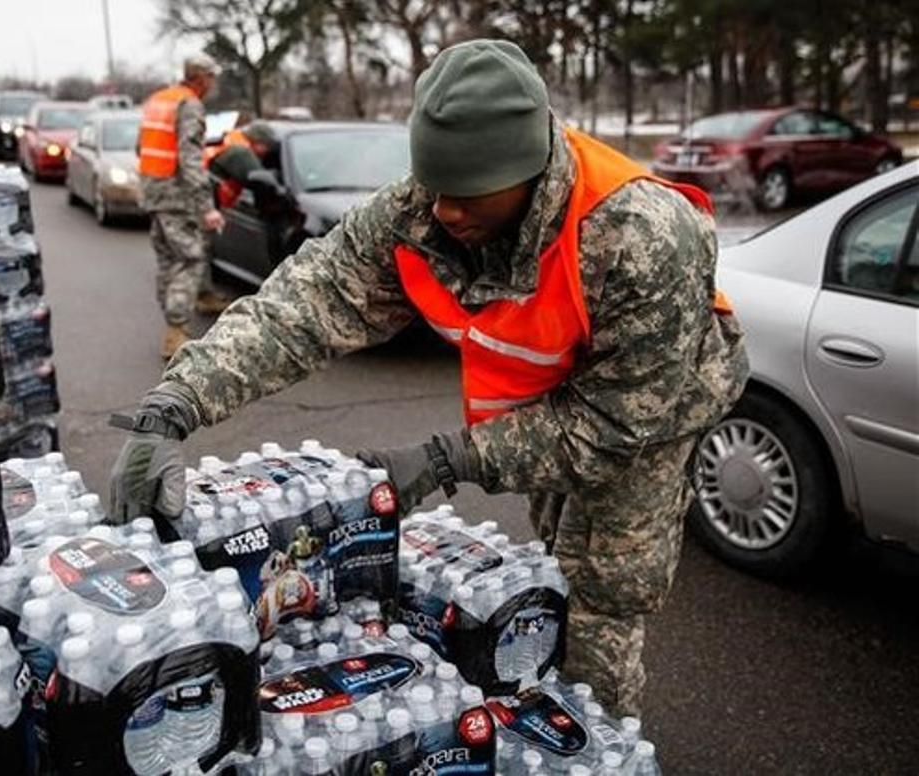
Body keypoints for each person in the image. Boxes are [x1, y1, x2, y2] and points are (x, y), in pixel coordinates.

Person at [110, 39, 749, 716]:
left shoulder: (641, 234)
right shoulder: (420, 210)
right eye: (434, 184)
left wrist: (451, 457)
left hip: (648, 406)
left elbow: (616, 423)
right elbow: (307, 304)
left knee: (601, 591)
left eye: (468, 191)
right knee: (551, 563)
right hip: (546, 390)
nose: (446, 210)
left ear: (528, 172)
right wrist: (173, 404)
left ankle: (600, 740)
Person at [138, 53, 228, 360]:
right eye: (212, 78)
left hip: (154, 192)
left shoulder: (158, 99)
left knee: (166, 258)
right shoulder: (189, 104)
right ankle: (175, 331)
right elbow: (190, 159)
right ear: (201, 77)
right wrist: (207, 207)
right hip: (177, 196)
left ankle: (188, 305)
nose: (214, 84)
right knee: (190, 259)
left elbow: (142, 146)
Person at [204, 121, 283, 210]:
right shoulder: (240, 153)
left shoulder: (233, 142)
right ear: (257, 141)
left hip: (208, 200)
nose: (268, 150)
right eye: (267, 145)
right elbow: (262, 183)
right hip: (208, 205)